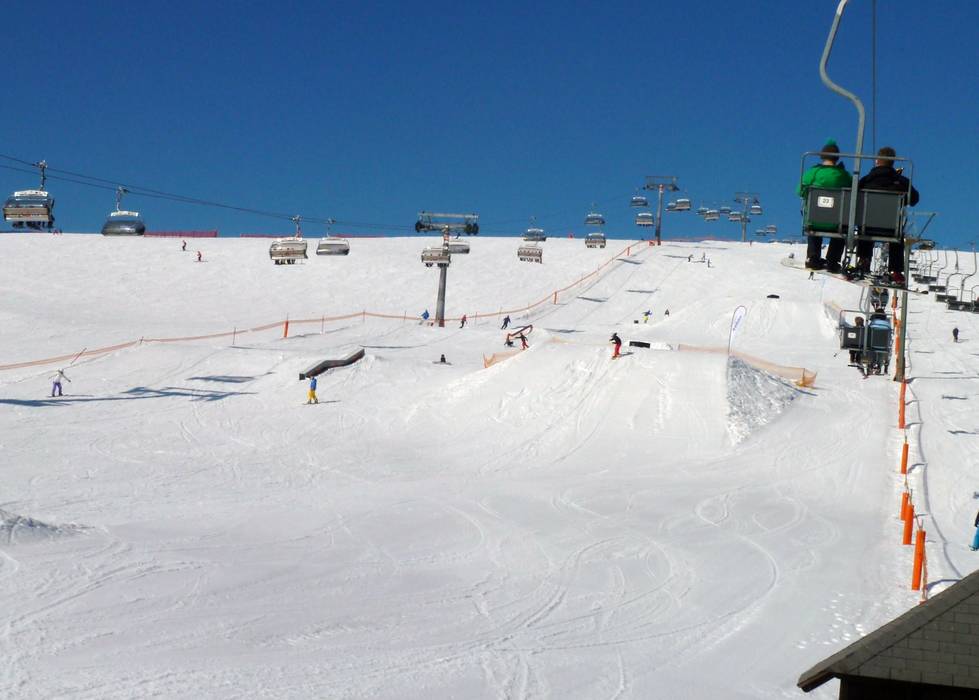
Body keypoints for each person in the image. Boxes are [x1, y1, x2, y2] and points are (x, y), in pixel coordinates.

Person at [855, 146, 920, 284]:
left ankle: (864, 260)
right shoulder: (901, 181)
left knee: (864, 224)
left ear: (877, 161)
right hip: (891, 227)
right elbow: (914, 199)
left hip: (868, 225)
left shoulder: (866, 181)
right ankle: (896, 270)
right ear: (892, 162)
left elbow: (855, 198)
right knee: (898, 233)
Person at [798, 140, 853, 272]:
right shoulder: (844, 176)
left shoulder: (812, 173)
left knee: (812, 217)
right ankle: (833, 260)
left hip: (815, 220)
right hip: (836, 222)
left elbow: (800, 191)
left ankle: (813, 257)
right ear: (837, 158)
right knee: (844, 224)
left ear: (822, 156)